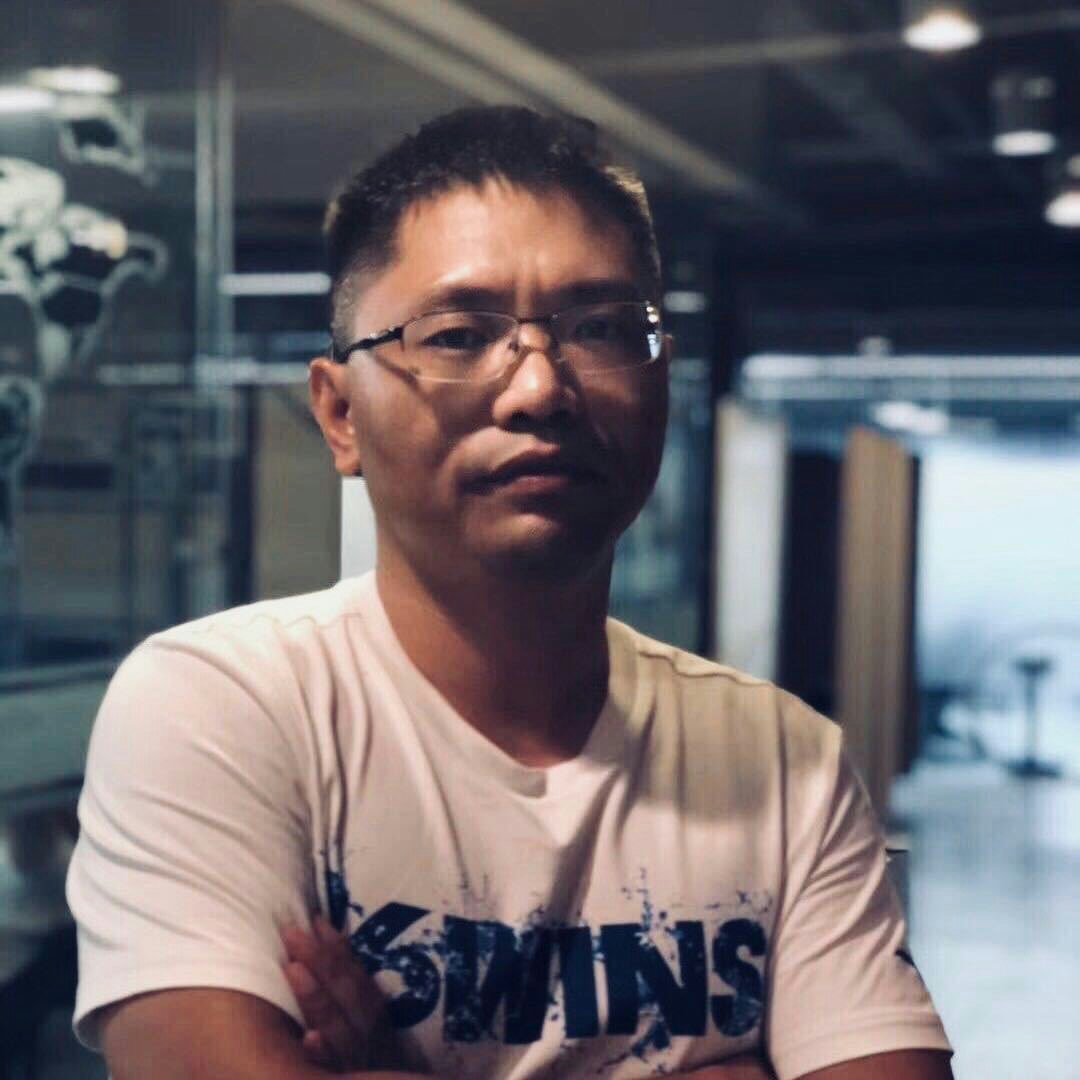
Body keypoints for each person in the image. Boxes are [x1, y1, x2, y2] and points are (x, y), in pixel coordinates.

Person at [65, 106, 953, 1080]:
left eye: (602, 328)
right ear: (340, 413)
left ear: (662, 386)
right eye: (457, 334)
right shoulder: (224, 707)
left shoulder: (783, 761)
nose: (539, 389)